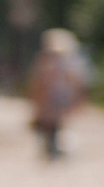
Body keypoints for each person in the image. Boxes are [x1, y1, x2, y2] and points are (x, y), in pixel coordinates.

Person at [27, 28, 83, 161]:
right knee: (55, 123)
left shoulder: (46, 60)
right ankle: (53, 147)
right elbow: (74, 81)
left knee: (50, 123)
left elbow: (40, 81)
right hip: (60, 95)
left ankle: (52, 147)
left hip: (52, 95)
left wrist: (36, 97)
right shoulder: (67, 60)